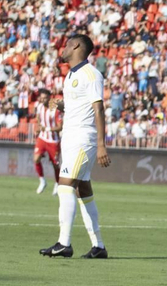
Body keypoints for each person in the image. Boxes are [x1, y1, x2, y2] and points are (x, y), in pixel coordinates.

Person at [39, 34, 110, 259]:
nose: (63, 49)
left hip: (83, 139)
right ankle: (98, 246)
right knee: (83, 189)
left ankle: (64, 243)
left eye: (66, 45)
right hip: (70, 139)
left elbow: (98, 109)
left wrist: (101, 145)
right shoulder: (71, 75)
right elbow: (81, 107)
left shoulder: (91, 74)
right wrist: (62, 106)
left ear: (76, 46)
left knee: (65, 184)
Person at [31, 90, 60, 195]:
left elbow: (60, 127)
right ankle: (42, 181)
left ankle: (57, 183)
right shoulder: (39, 107)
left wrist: (46, 129)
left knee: (55, 165)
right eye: (41, 98)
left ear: (50, 98)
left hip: (53, 141)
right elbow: (38, 118)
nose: (42, 100)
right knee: (36, 158)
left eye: (45, 98)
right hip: (42, 138)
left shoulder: (55, 110)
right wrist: (39, 128)